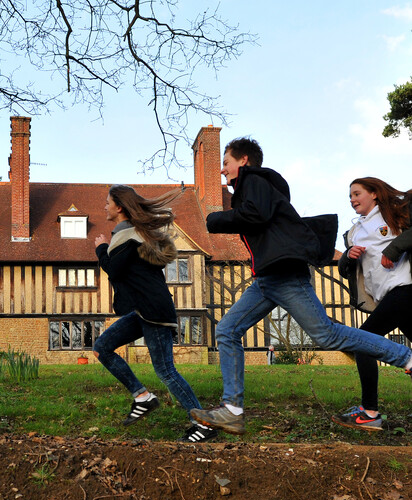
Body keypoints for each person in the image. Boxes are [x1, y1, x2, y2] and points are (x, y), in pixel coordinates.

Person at [190, 137, 412, 435]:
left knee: (328, 335)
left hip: (284, 275)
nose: (222, 171)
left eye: (226, 163)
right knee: (227, 330)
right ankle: (231, 410)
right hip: (267, 278)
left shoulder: (253, 179)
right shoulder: (255, 187)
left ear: (243, 161)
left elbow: (255, 215)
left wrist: (215, 219)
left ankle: (406, 358)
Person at [93, 184, 217, 443]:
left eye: (107, 202)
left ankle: (204, 424)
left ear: (119, 207)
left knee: (166, 372)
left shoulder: (129, 239)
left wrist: (101, 248)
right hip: (143, 311)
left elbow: (113, 270)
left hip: (153, 311)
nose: (104, 207)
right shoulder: (130, 235)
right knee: (102, 347)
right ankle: (142, 396)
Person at [331, 177, 412, 431]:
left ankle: (369, 412)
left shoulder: (394, 214)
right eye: (350, 196)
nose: (352, 199)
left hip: (404, 287)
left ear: (374, 194)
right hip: (386, 297)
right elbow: (346, 271)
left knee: (363, 341)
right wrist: (347, 256)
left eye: (357, 194)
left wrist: (394, 249)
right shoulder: (354, 232)